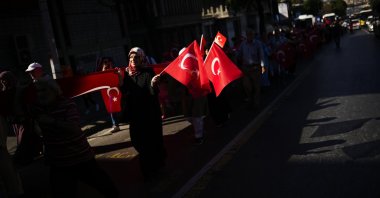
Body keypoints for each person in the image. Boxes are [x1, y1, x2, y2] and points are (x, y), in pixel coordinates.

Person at [30, 79, 119, 198]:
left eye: (44, 90)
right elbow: (17, 113)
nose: (41, 94)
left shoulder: (67, 104)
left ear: (54, 90)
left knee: (107, 188)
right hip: (59, 163)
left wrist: (51, 121)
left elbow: (74, 128)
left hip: (81, 158)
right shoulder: (39, 108)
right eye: (38, 91)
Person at [121, 47, 166, 181]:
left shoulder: (148, 72)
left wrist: (152, 84)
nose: (133, 60)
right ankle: (152, 163)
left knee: (150, 143)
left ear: (141, 58)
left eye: (136, 58)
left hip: (149, 116)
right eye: (131, 58)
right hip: (135, 116)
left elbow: (152, 94)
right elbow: (125, 91)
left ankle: (151, 169)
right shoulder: (127, 74)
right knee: (137, 142)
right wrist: (120, 80)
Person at [0, 71, 24, 198]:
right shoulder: (5, 93)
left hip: (16, 125)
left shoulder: (17, 90)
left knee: (9, 162)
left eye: (5, 79)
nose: (3, 82)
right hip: (9, 127)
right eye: (1, 80)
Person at [236, 28, 265, 109]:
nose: (249, 36)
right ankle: (250, 99)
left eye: (251, 34)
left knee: (256, 87)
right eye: (248, 34)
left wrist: (262, 66)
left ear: (253, 35)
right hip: (246, 68)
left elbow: (261, 55)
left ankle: (256, 103)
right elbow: (239, 54)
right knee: (247, 86)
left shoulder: (258, 44)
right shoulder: (243, 44)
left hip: (255, 68)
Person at [98, 57, 121, 133]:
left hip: (118, 91)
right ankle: (115, 125)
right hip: (110, 94)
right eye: (105, 62)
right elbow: (102, 76)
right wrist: (104, 68)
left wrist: (111, 67)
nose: (106, 63)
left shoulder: (116, 69)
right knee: (112, 109)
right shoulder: (103, 71)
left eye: (108, 62)